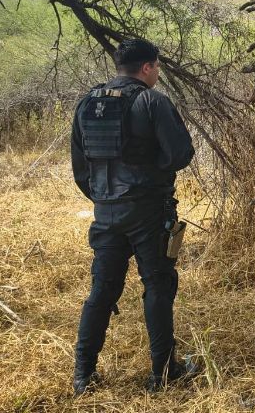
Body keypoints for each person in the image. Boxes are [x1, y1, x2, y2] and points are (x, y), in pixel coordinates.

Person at [70, 38, 198, 396]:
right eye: (156, 67)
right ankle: (163, 373)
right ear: (147, 67)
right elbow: (180, 154)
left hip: (106, 212)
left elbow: (80, 168)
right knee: (158, 285)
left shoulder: (87, 103)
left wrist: (105, 197)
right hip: (148, 210)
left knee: (102, 289)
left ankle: (83, 376)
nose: (157, 73)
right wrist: (151, 176)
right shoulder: (151, 101)